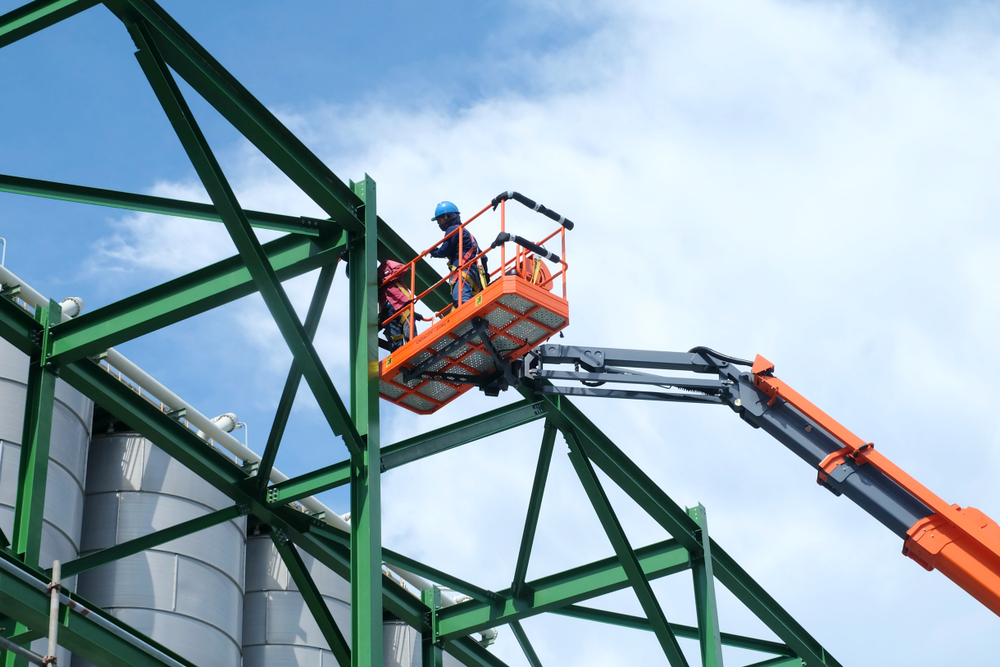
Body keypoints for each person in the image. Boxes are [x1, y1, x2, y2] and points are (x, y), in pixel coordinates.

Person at [428, 201, 487, 309]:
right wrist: (486, 278)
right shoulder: (468, 234)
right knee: (470, 303)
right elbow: (483, 257)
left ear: (448, 217)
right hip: (475, 275)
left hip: (463, 271)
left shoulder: (453, 229)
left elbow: (444, 250)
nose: (439, 224)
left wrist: (432, 251)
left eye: (440, 220)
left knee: (461, 303)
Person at [378, 260, 415, 351]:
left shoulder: (385, 264)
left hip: (401, 302)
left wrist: (385, 280)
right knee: (395, 341)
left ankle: (414, 350)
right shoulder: (369, 280)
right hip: (387, 312)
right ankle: (401, 361)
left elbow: (403, 268)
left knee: (409, 332)